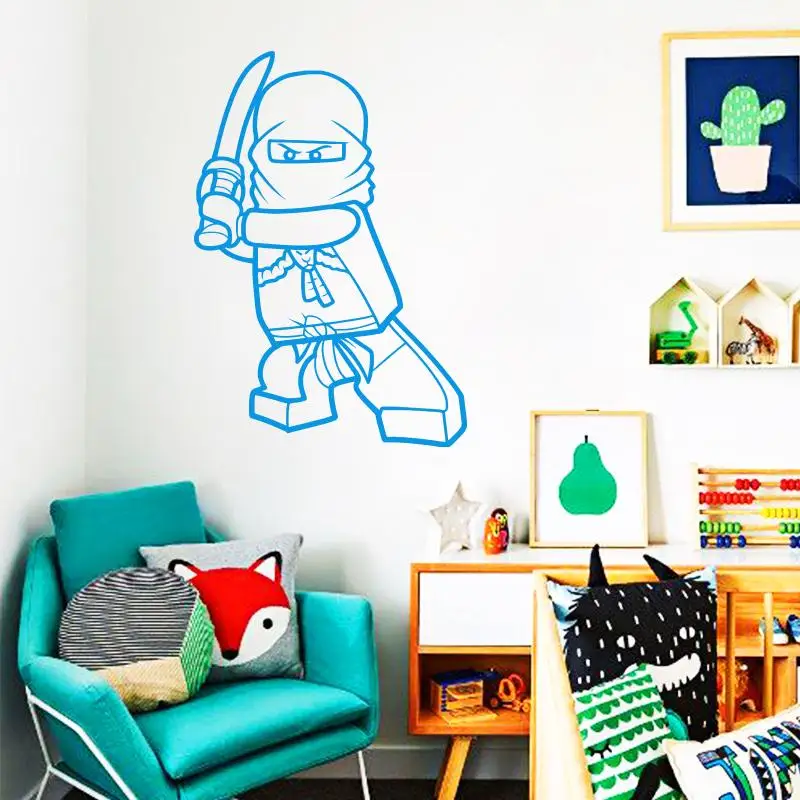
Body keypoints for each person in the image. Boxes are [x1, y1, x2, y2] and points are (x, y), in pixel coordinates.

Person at [195, 56, 466, 446]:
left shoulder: (343, 216)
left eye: (321, 153)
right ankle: (306, 388)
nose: (303, 164)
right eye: (288, 154)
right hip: (299, 335)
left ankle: (412, 412)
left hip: (370, 332)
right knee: (283, 376)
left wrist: (237, 222)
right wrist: (223, 222)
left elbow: (308, 228)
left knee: (413, 392)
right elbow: (250, 245)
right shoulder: (262, 225)